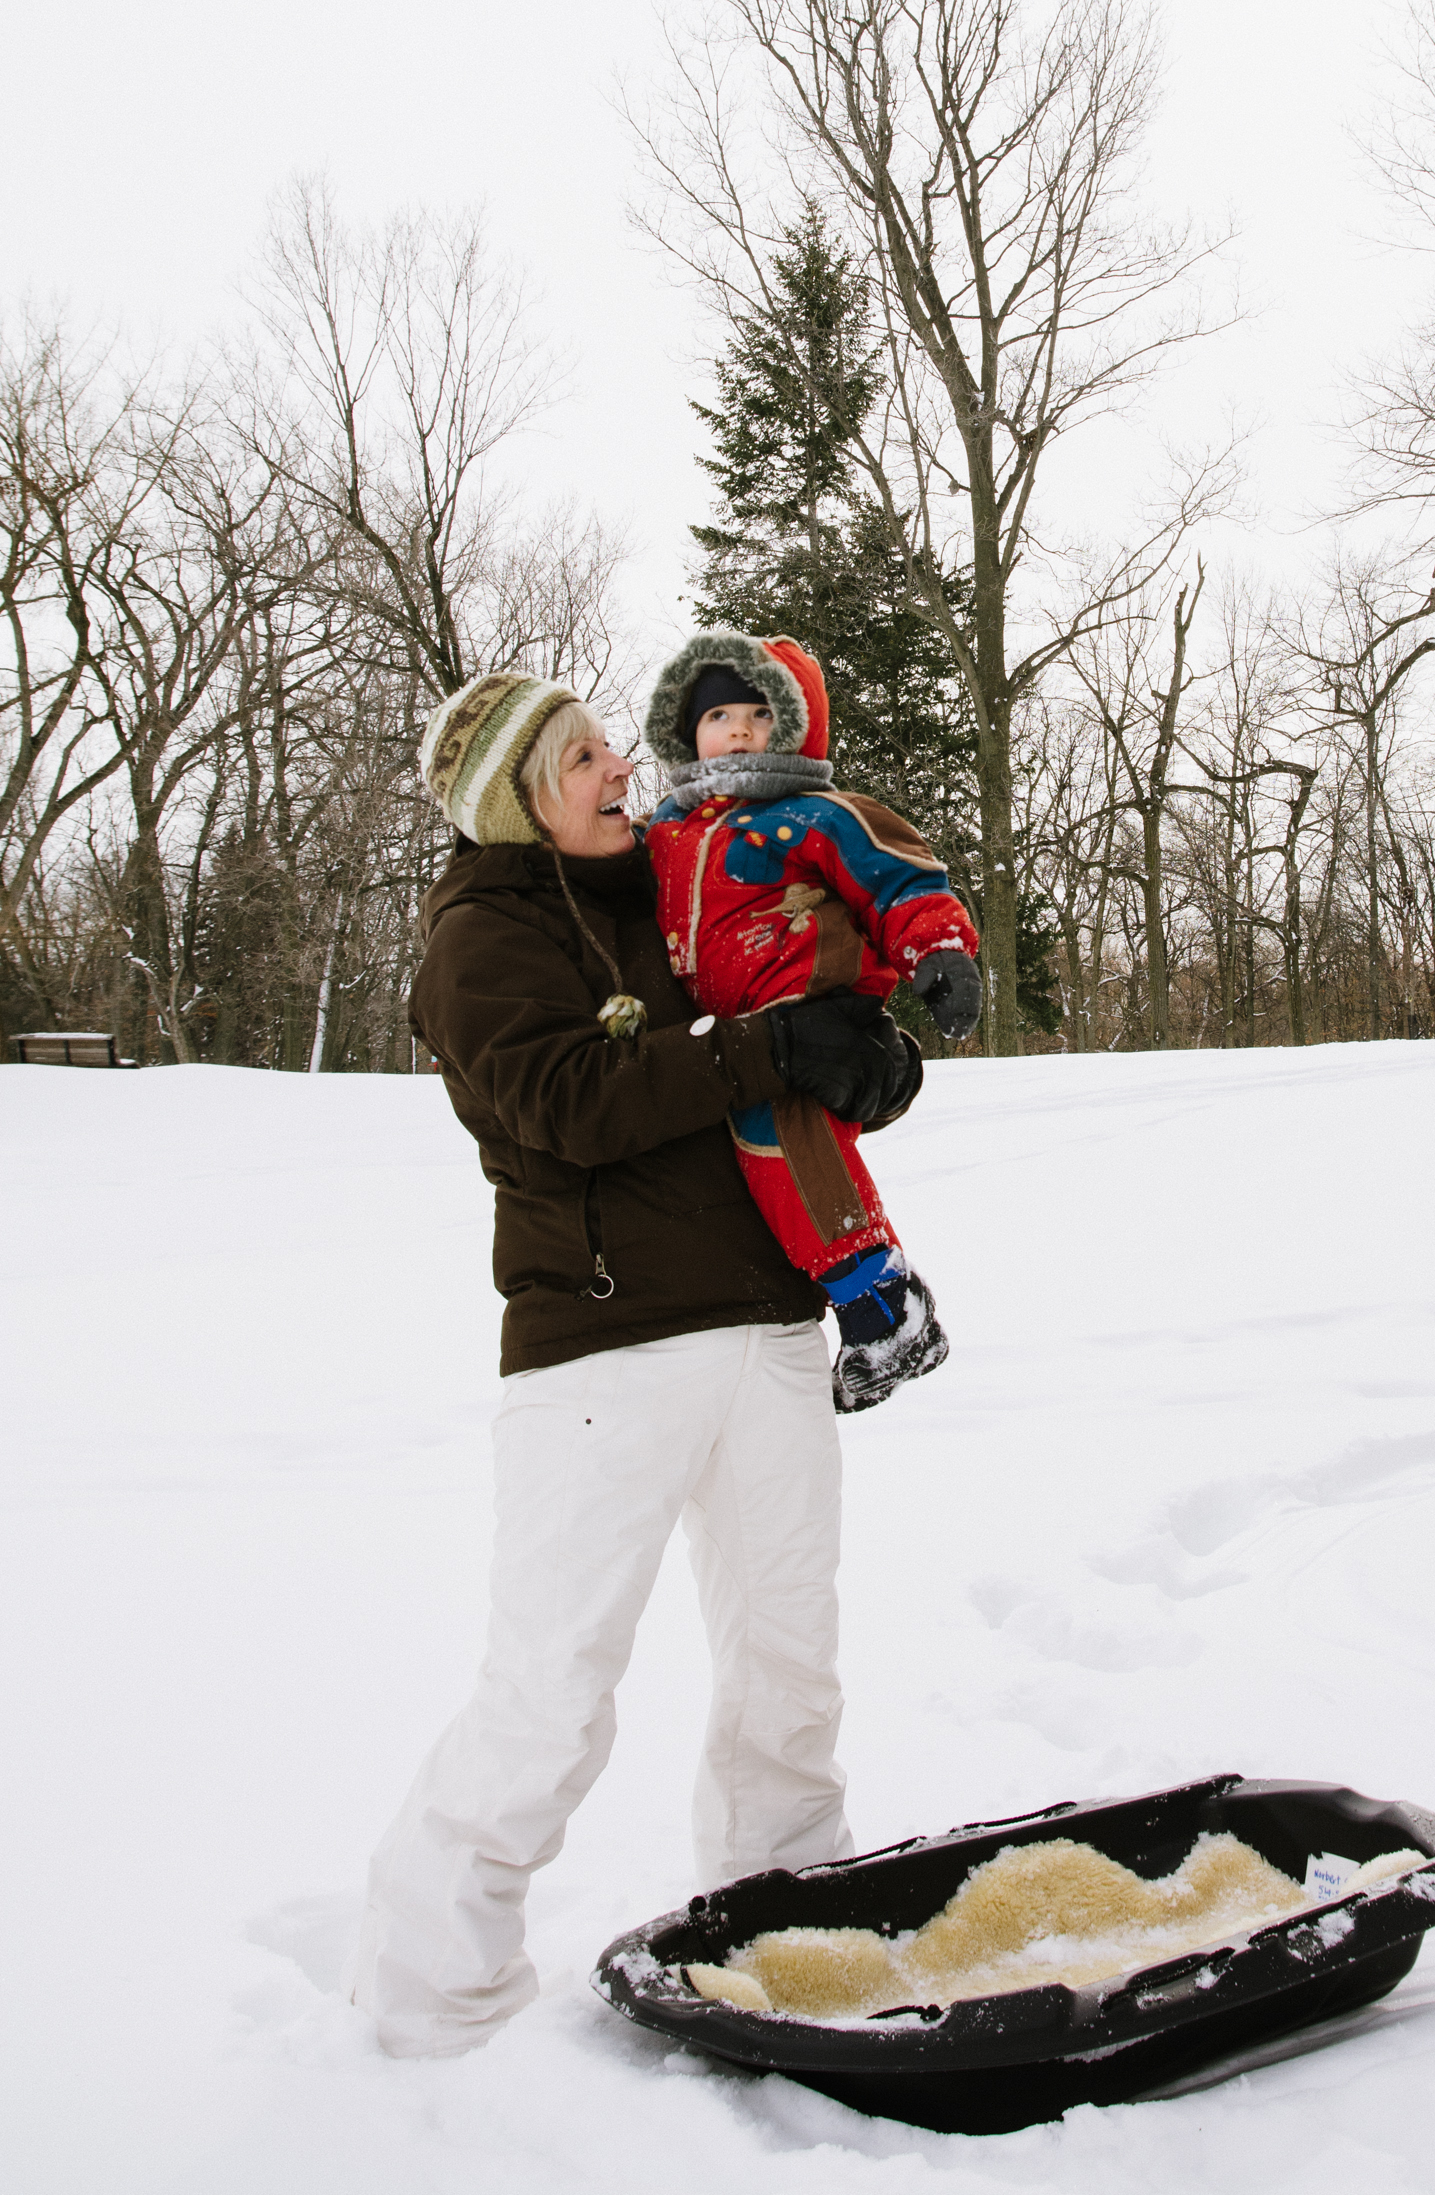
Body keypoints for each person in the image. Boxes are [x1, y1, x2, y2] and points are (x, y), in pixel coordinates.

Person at [348, 669, 920, 2060]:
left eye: (612, 746)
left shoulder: (676, 887)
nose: (621, 767)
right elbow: (567, 1104)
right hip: (601, 1359)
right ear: (520, 802)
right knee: (554, 1689)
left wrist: (856, 1055)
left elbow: (778, 1027)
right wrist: (757, 1046)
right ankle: (433, 2004)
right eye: (584, 758)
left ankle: (785, 1916)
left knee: (792, 1660)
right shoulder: (480, 934)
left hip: (766, 1331)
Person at [642, 629, 982, 1412]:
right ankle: (867, 1300)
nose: (735, 730)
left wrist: (938, 954)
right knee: (744, 1160)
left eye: (757, 714)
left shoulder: (814, 815)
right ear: (685, 728)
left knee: (780, 1141)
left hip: (808, 1014)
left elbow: (902, 878)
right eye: (717, 713)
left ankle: (886, 1306)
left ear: (792, 727)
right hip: (721, 1038)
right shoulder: (666, 829)